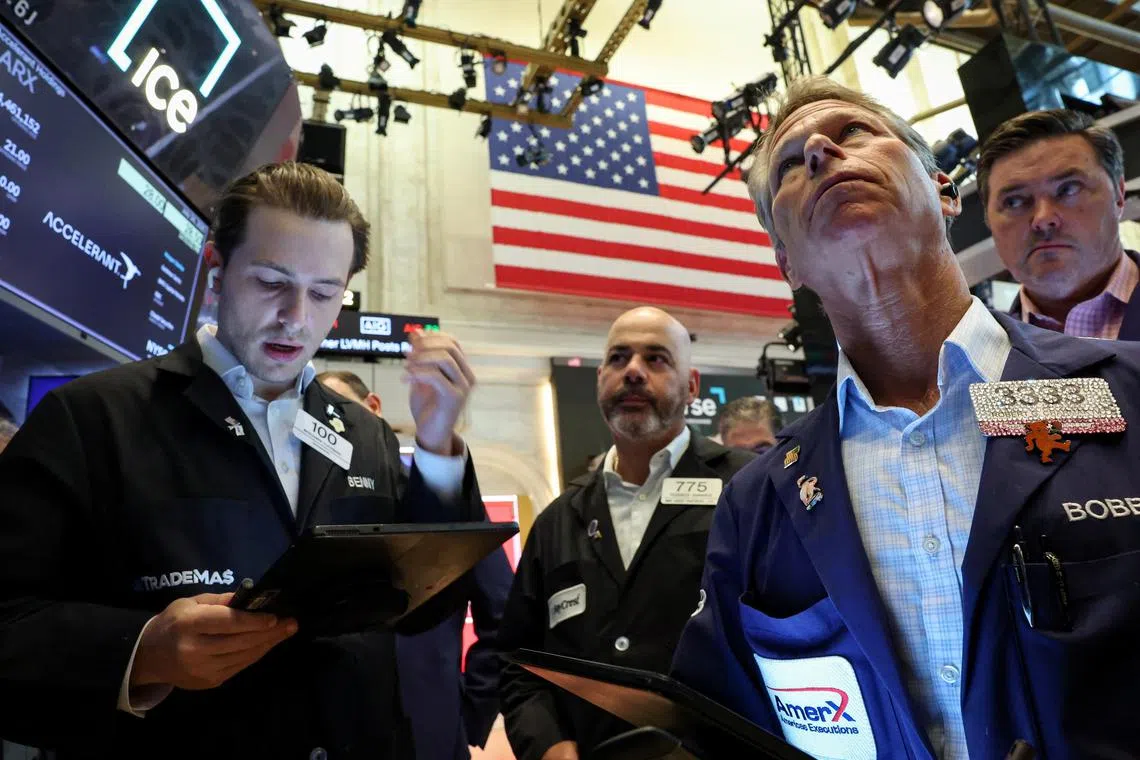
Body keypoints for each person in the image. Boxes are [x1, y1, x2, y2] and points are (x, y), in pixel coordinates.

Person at [671, 77, 1140, 759]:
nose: (822, 153)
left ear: (946, 191)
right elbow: (723, 726)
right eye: (790, 165)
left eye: (854, 133)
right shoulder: (758, 502)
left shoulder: (1127, 394)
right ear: (786, 262)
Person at [0, 162, 486, 759]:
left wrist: (438, 443)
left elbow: (419, 609)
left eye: (324, 292)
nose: (297, 317)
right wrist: (141, 649)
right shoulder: (92, 419)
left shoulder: (365, 435)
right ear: (216, 269)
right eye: (271, 282)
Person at [498, 306, 755, 760]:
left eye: (656, 359)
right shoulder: (559, 519)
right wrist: (549, 746)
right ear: (600, 378)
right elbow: (520, 663)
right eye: (619, 358)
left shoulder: (748, 487)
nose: (633, 371)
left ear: (692, 385)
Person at [316, 369, 514, 760]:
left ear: (373, 407)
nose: (331, 431)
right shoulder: (315, 511)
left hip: (433, 735)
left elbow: (504, 613)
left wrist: (470, 713)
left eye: (338, 413)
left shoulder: (443, 495)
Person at [978, 109, 1139, 339]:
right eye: (1014, 201)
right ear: (989, 221)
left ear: (1119, 195)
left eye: (1068, 189)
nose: (1043, 219)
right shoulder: (982, 362)